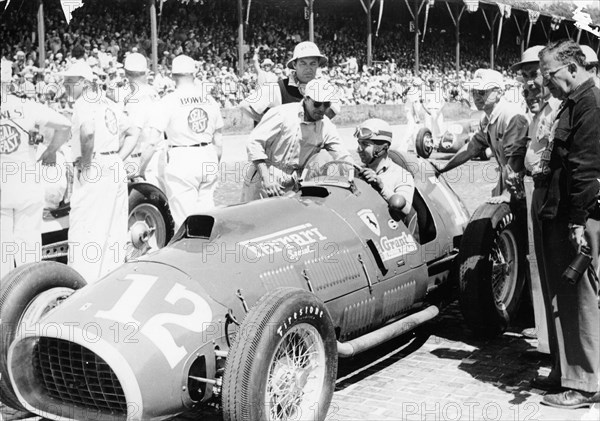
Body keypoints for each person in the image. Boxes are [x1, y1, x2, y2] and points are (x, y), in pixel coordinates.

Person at [535, 39, 600, 409]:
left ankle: (585, 384)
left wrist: (578, 222)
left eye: (550, 75)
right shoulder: (575, 102)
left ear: (573, 69)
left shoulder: (589, 103)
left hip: (578, 216)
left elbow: (587, 168)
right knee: (566, 297)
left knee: (580, 298)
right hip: (564, 212)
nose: (546, 83)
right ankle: (569, 374)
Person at [510, 45, 563, 377]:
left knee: (553, 270)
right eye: (525, 76)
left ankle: (558, 349)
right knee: (537, 268)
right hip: (534, 189)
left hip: (550, 194)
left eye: (535, 75)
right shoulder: (537, 110)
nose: (529, 83)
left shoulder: (556, 108)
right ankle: (546, 344)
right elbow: (530, 147)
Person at [1, 69, 71, 280]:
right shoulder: (27, 107)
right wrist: (50, 151)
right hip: (26, 184)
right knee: (28, 253)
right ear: (10, 82)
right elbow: (66, 124)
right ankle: (28, 299)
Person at [64, 61, 129, 283]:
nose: (65, 86)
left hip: (96, 165)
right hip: (112, 163)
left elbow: (88, 132)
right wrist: (118, 157)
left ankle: (82, 283)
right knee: (113, 229)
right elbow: (132, 133)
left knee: (85, 229)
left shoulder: (84, 102)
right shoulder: (107, 102)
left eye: (69, 82)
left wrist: (86, 162)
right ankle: (111, 281)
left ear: (83, 83)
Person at [145, 55, 223, 230]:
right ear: (194, 74)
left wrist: (141, 167)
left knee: (185, 220)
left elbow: (152, 141)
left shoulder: (168, 101)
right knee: (208, 215)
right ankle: (208, 252)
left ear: (173, 77)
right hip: (208, 154)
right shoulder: (210, 100)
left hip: (182, 156)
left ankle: (191, 254)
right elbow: (219, 140)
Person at [241, 78, 352, 200]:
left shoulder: (326, 125)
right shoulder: (282, 113)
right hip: (264, 175)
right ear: (306, 99)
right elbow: (254, 143)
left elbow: (341, 154)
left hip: (293, 182)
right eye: (317, 104)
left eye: (326, 104)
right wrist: (266, 178)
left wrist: (357, 172)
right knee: (256, 216)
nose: (321, 109)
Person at [438, 68, 529, 204]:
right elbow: (471, 147)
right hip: (508, 182)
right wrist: (444, 168)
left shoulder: (511, 115)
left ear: (499, 93)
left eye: (481, 92)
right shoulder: (486, 118)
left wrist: (506, 194)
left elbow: (516, 159)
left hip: (523, 186)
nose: (476, 97)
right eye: (473, 91)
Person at [240, 41, 339, 123]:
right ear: (294, 65)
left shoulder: (323, 87)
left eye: (312, 64)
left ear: (318, 65)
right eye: (303, 64)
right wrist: (271, 126)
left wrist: (317, 125)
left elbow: (335, 109)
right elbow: (245, 106)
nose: (308, 69)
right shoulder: (277, 88)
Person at [355, 118, 414, 217]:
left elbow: (405, 209)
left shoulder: (403, 176)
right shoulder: (357, 172)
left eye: (365, 144)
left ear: (382, 148)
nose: (358, 150)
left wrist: (381, 188)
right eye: (359, 143)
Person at [120, 53, 161, 185]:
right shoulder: (152, 92)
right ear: (146, 72)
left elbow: (133, 134)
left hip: (143, 160)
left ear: (126, 73)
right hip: (156, 155)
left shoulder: (137, 98)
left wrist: (116, 161)